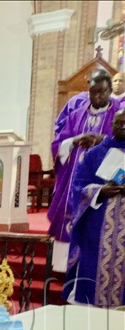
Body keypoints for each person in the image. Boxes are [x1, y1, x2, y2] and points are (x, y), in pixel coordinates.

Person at [48, 71, 118, 266]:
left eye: (102, 92)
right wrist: (75, 140)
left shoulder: (119, 115)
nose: (97, 97)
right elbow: (58, 144)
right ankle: (64, 266)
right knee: (68, 211)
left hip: (104, 181)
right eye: (92, 92)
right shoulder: (76, 115)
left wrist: (103, 140)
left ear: (110, 91)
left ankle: (95, 265)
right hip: (75, 180)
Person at [63, 108, 125, 307]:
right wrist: (100, 190)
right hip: (97, 229)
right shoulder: (95, 154)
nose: (122, 126)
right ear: (111, 124)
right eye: (118, 122)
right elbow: (78, 186)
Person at [54, 68, 111, 137]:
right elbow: (60, 128)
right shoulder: (76, 102)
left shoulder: (114, 106)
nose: (97, 96)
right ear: (89, 83)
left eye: (102, 90)